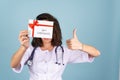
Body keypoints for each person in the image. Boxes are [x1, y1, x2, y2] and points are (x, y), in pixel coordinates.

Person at [10, 13, 100, 80]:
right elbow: (14, 65)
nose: (46, 34)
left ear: (55, 31)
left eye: (49, 29)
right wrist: (23, 47)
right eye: (42, 29)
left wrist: (81, 46)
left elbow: (96, 53)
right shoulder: (30, 50)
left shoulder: (64, 51)